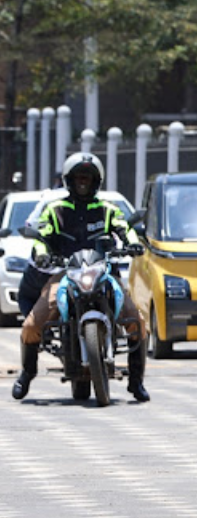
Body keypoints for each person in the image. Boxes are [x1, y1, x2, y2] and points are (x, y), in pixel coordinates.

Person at [12, 152, 149, 402]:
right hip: (65, 274)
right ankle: (27, 373)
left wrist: (133, 244)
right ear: (69, 180)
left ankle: (136, 381)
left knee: (138, 323)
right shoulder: (56, 210)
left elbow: (125, 229)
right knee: (31, 325)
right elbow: (42, 237)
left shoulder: (108, 210)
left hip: (105, 273)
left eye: (87, 178)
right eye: (78, 178)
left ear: (96, 181)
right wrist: (42, 255)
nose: (82, 183)